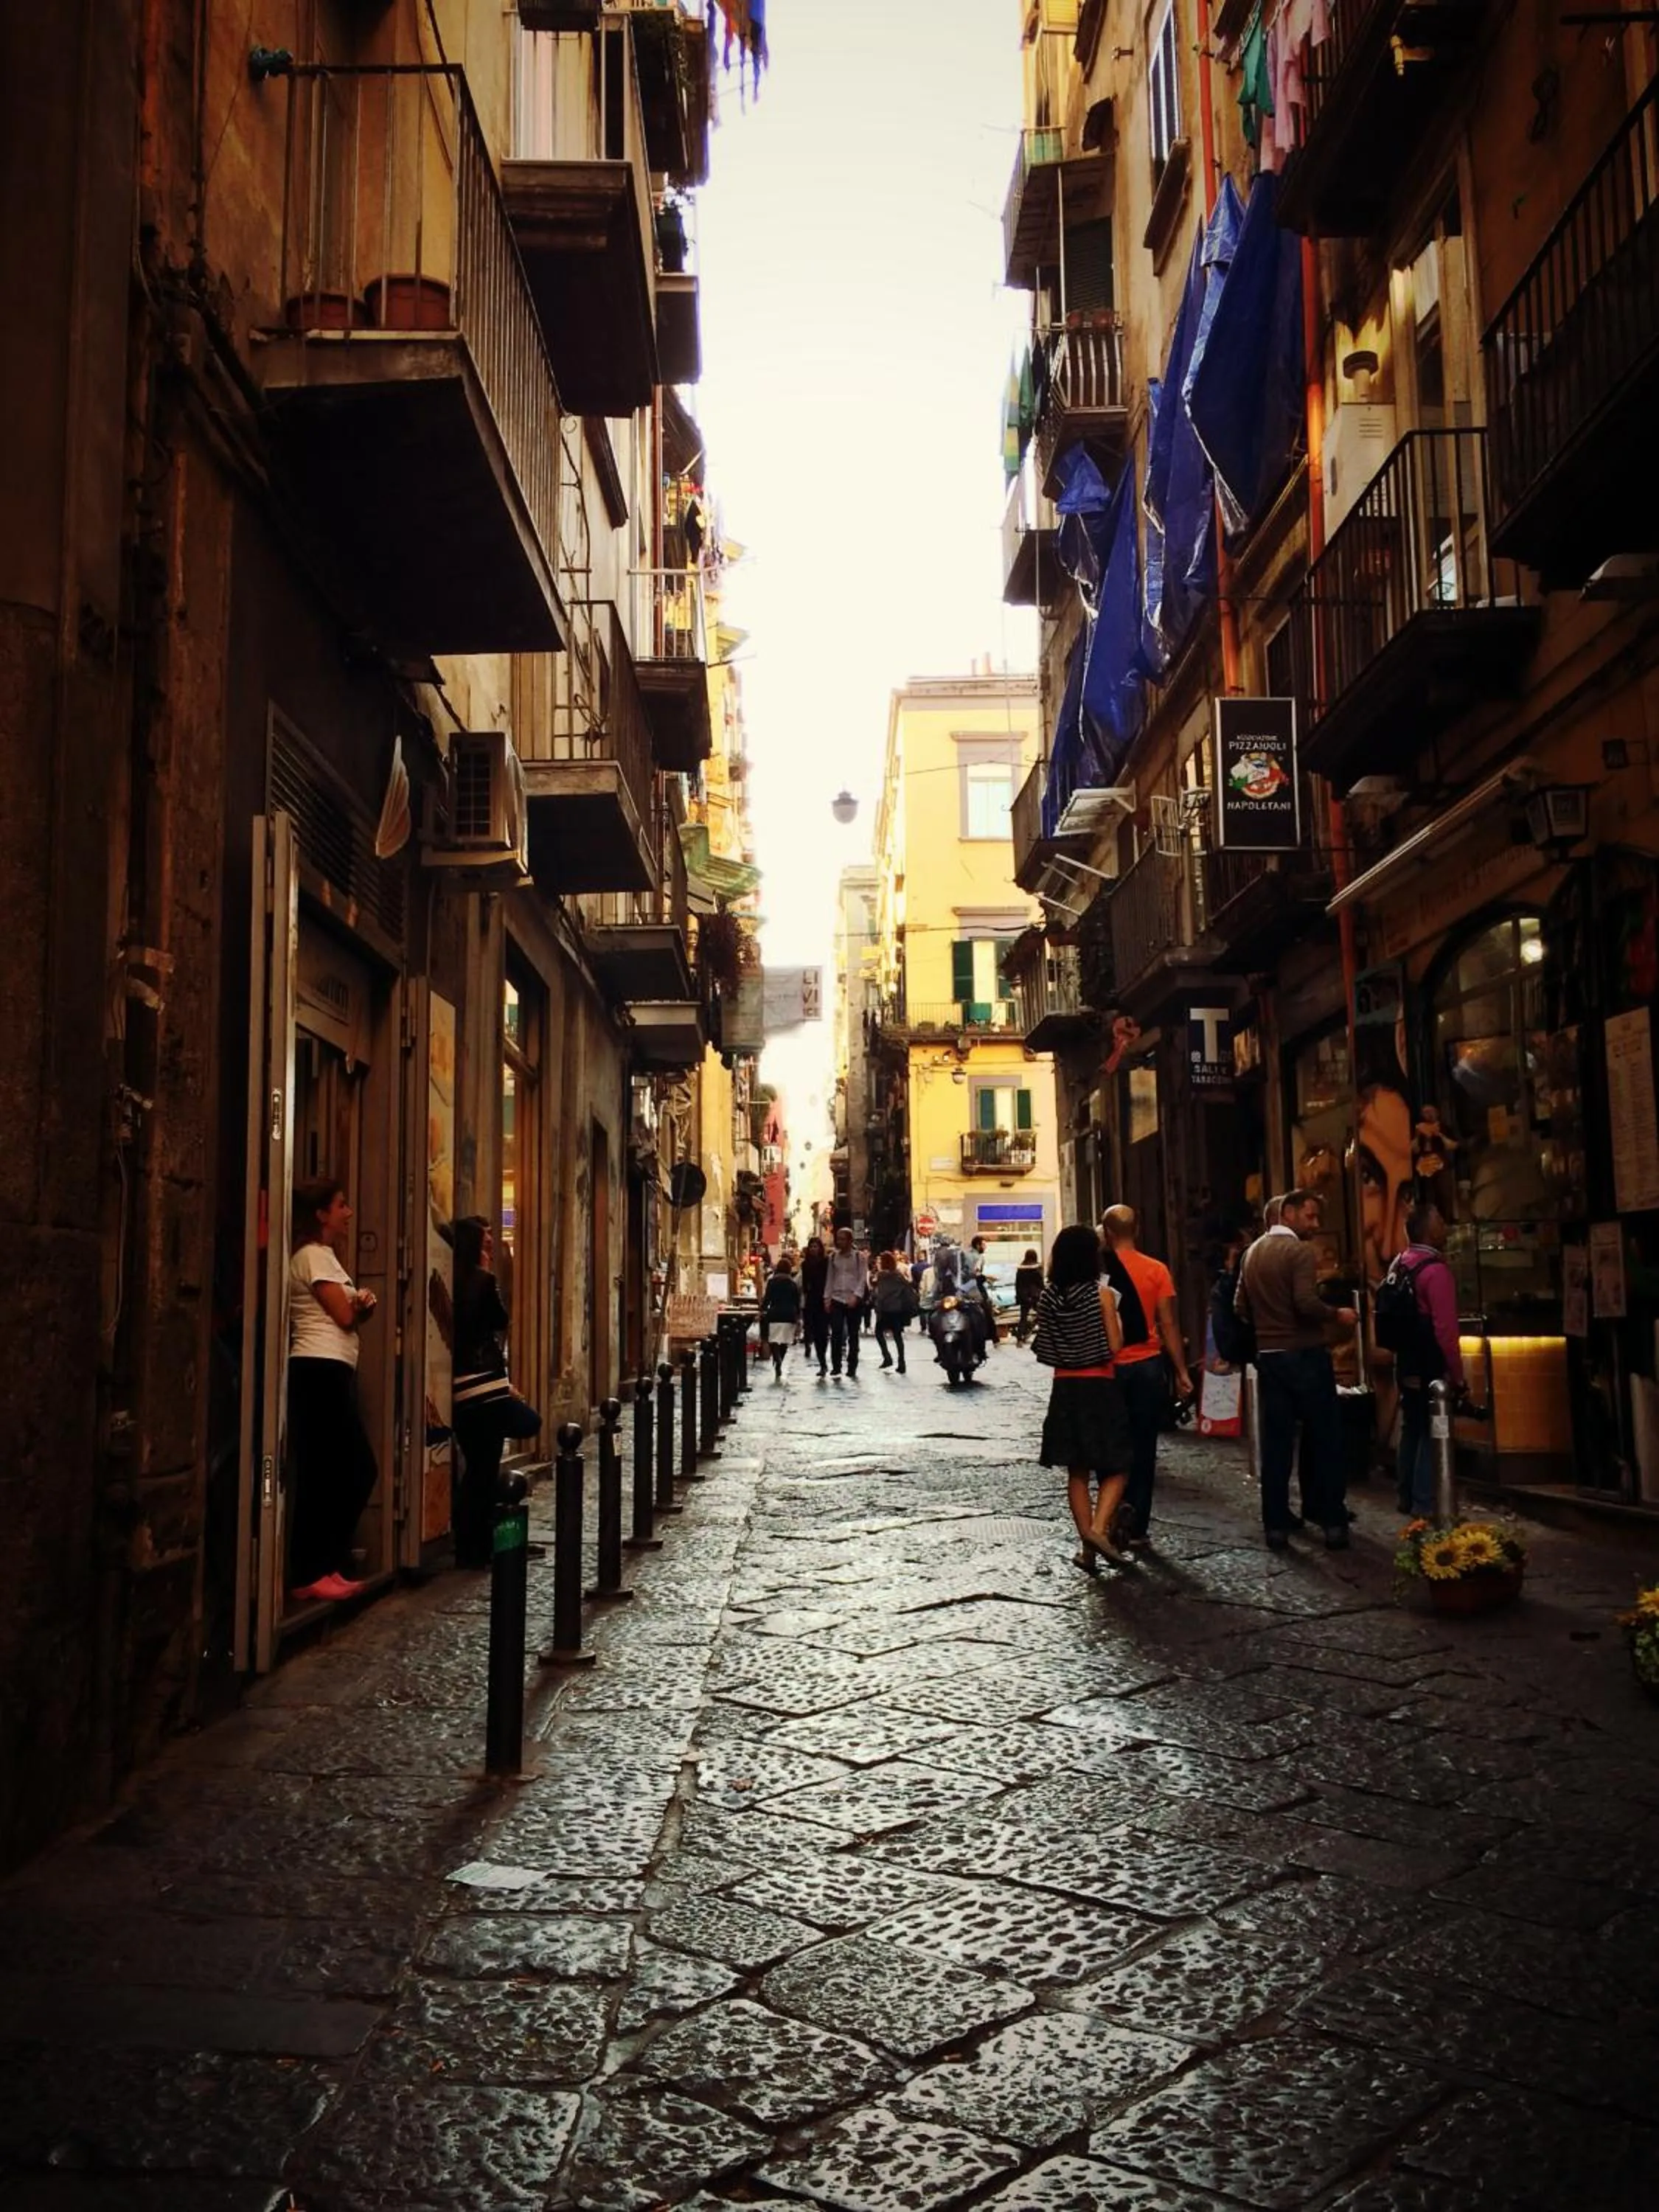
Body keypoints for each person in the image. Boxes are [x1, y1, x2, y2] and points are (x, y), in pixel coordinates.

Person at [1236, 1188, 1358, 1551]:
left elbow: (1240, 1305)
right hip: (1303, 1355)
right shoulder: (1299, 1252)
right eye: (1310, 1216)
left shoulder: (1252, 1253)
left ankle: (1276, 1523)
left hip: (1269, 1357)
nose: (1315, 1224)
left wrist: (1267, 1326)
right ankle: (1331, 1518)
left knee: (1276, 1442)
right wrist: (1337, 1314)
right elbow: (1305, 1302)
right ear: (1287, 1214)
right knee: (1324, 1436)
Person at [286, 1177, 378, 1604]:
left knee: (340, 1471)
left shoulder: (326, 1257)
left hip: (331, 1367)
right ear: (321, 1214)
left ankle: (325, 1565)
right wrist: (358, 1305)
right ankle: (309, 1570)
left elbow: (346, 1314)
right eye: (341, 1205)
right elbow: (342, 1315)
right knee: (343, 1470)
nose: (348, 1212)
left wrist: (360, 1307)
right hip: (318, 1367)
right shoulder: (312, 1257)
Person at [1032, 1224, 1133, 1573]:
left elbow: (1043, 1346)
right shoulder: (1101, 1294)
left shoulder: (1048, 1297)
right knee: (1119, 1464)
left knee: (1077, 1469)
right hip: (1099, 1385)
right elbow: (1116, 1346)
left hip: (1065, 1388)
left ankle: (1087, 1549)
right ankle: (1098, 1531)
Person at [450, 1214, 540, 1568]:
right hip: (485, 1387)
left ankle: (477, 1545)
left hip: (464, 1388)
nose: (491, 1244)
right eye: (486, 1239)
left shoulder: (449, 1280)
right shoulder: (482, 1281)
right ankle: (483, 1548)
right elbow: (500, 1320)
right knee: (486, 1469)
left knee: (479, 1470)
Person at [1099, 1205, 1194, 1545]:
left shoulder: (1100, 1274)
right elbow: (1168, 1323)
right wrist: (1182, 1371)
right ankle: (1136, 1524)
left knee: (1109, 1442)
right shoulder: (1157, 1270)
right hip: (1147, 1366)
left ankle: (1110, 1514)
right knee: (1144, 1443)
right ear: (1136, 1230)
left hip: (1108, 1367)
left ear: (1107, 1233)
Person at [1383, 1202, 1467, 1514]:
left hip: (1405, 1360)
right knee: (1433, 1430)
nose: (1445, 1226)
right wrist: (1456, 1374)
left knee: (1412, 1426)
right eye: (1440, 1221)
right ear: (1429, 1230)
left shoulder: (1399, 1264)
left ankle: (1405, 1495)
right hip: (1429, 1360)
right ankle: (1425, 1501)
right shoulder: (1435, 1271)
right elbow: (1446, 1330)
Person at [825, 1226, 866, 1377]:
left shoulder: (859, 1257)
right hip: (837, 1299)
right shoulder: (833, 1257)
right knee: (836, 1333)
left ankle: (852, 1366)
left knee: (853, 1335)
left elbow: (862, 1278)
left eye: (842, 1239)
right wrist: (827, 1298)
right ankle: (836, 1366)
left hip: (853, 1299)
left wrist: (856, 1296)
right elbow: (830, 1278)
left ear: (850, 1240)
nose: (839, 1241)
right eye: (838, 1238)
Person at [760, 1253, 802, 1380]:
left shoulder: (772, 1282)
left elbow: (767, 1300)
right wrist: (798, 1316)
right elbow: (797, 1302)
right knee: (785, 1341)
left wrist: (762, 1310)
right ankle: (780, 1360)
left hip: (775, 1314)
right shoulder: (793, 1284)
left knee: (773, 1339)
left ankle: (776, 1357)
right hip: (789, 1315)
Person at [871, 1250, 914, 1372]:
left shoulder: (882, 1276)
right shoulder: (898, 1275)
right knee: (897, 1336)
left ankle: (887, 1357)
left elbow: (879, 1292)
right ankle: (902, 1361)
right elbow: (907, 1286)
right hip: (897, 1309)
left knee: (879, 1333)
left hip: (886, 1309)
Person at [799, 1235, 830, 1377]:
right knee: (814, 1332)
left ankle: (823, 1357)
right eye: (811, 1247)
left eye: (816, 1246)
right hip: (811, 1300)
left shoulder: (826, 1262)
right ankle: (822, 1363)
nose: (813, 1249)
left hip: (824, 1299)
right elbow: (805, 1284)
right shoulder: (805, 1264)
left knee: (823, 1332)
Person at [1014, 1248, 1044, 1344]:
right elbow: (1040, 1282)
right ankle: (1036, 1334)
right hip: (1035, 1295)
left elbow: (1017, 1283)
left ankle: (1019, 1338)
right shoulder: (1037, 1267)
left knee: (1023, 1317)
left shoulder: (1021, 1268)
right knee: (1041, 1315)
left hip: (1024, 1296)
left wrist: (1019, 1296)